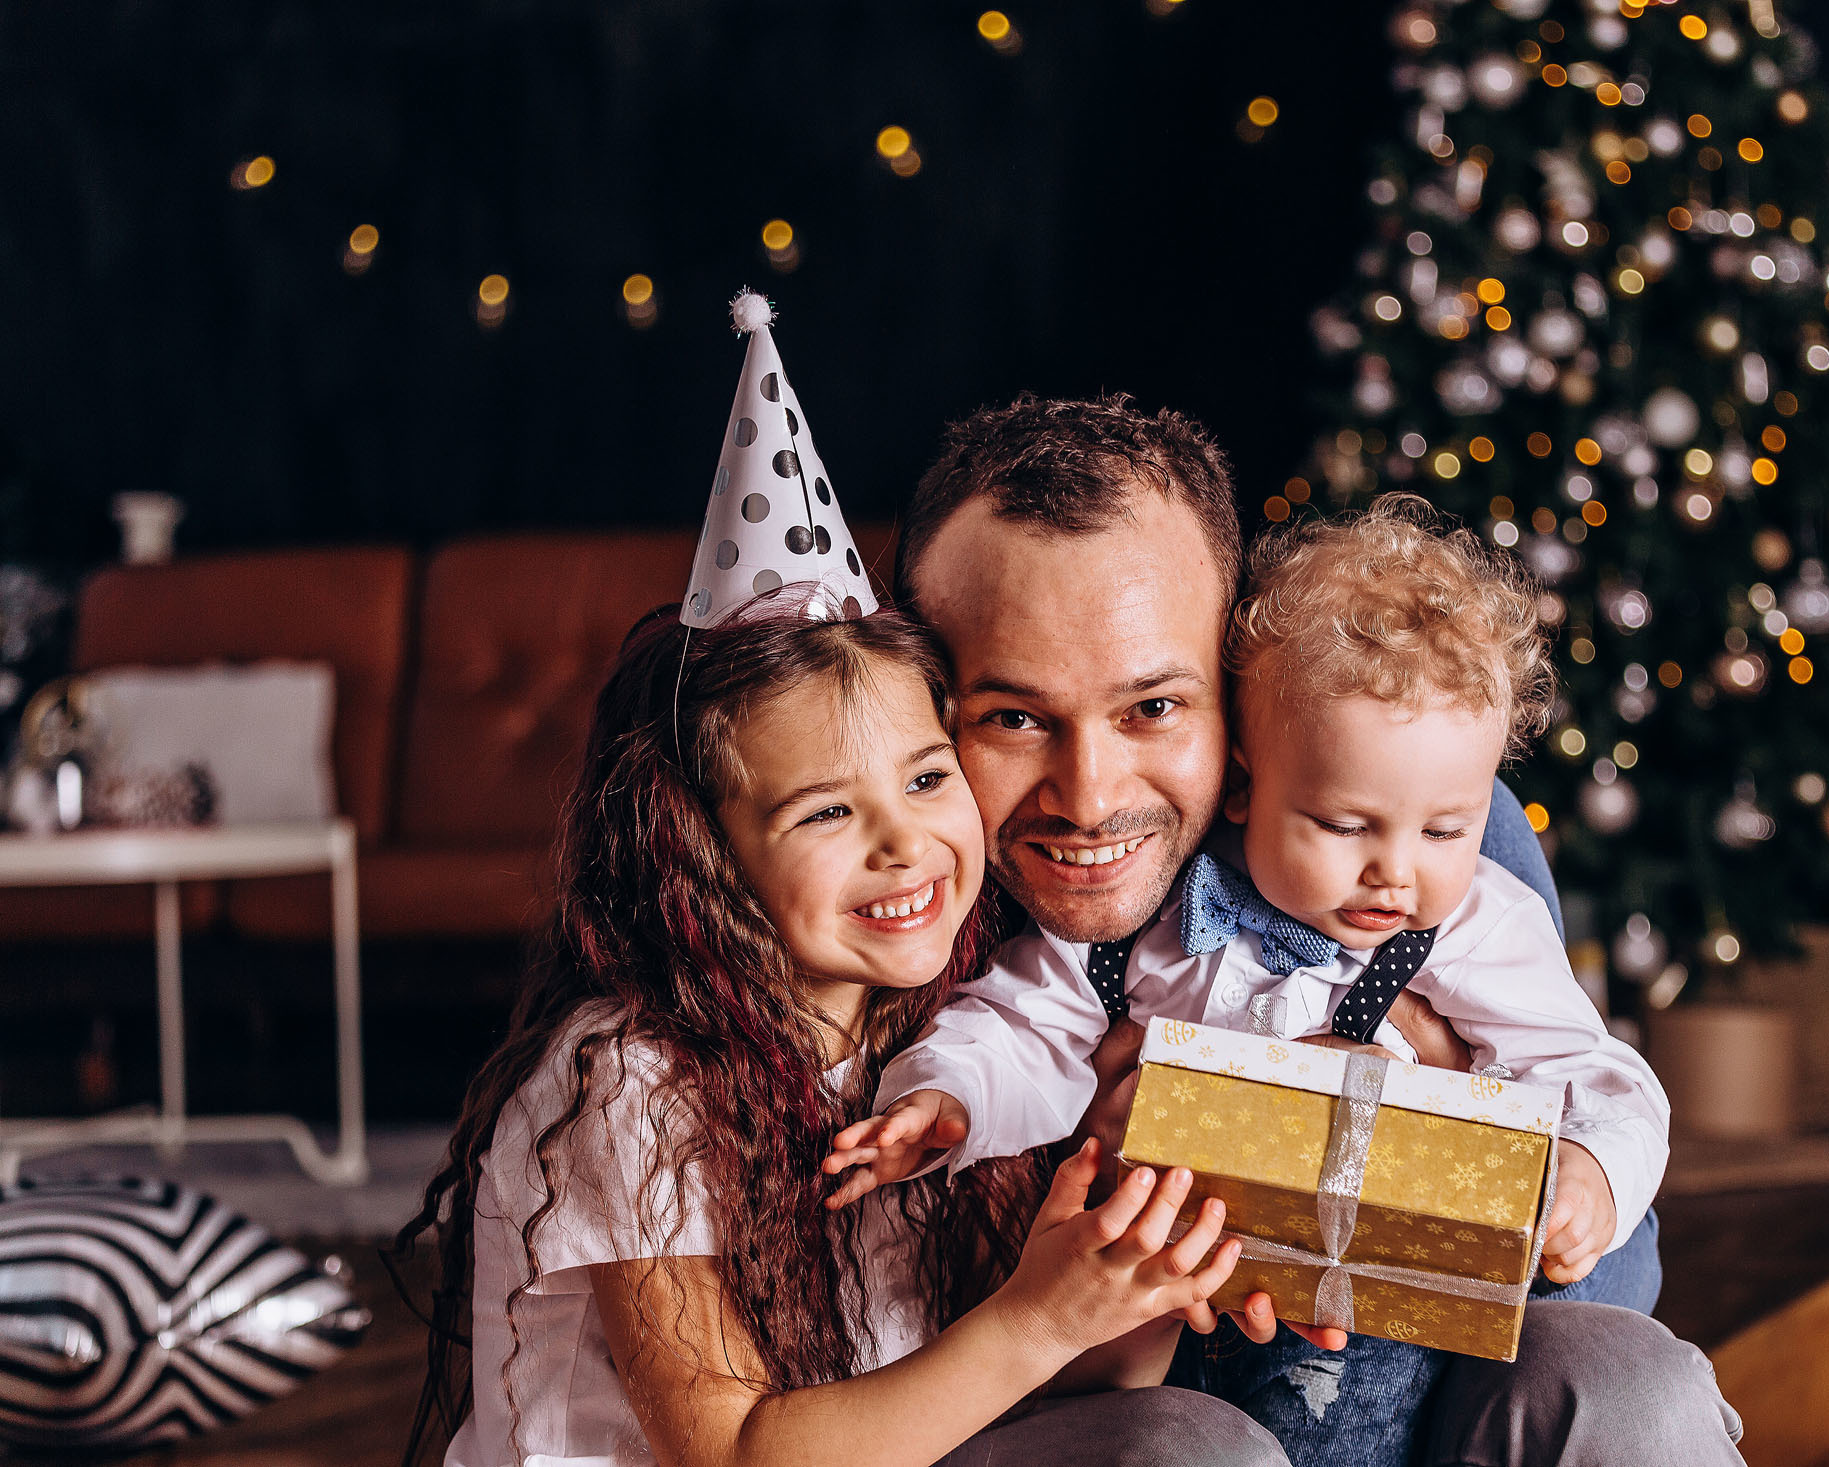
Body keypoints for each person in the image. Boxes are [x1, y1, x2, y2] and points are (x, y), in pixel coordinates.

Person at [868, 394, 1742, 1467]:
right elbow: (1008, 1035)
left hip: (1413, 1376)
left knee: (1629, 1381)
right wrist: (977, 1110)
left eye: (1152, 707)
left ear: (1231, 709)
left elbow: (1610, 1255)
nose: (1089, 797)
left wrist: (1427, 1126)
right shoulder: (884, 885)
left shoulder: (1440, 855)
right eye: (1012, 716)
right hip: (1095, 1402)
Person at [397, 604, 1290, 1467]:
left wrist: (1135, 1285)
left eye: (927, 779)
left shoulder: (958, 1040)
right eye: (827, 811)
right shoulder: (637, 1083)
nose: (904, 841)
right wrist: (1039, 1318)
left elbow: (993, 1402)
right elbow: (733, 1452)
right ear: (700, 850)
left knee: (1195, 1443)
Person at [830, 495, 1670, 1314]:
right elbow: (1018, 1026)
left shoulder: (1474, 922)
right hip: (1196, 1305)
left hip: (1395, 1304)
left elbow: (1593, 1072)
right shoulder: (1146, 914)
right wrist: (947, 1102)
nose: (1395, 871)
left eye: (1448, 829)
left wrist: (1591, 1168)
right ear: (1241, 784)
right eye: (1344, 825)